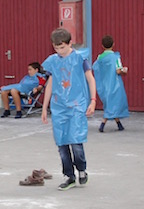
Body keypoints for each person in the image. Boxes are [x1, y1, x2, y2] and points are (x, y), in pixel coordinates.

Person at [41, 27, 97, 190]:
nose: (59, 51)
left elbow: (90, 79)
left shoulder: (80, 58)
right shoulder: (52, 61)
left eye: (62, 47)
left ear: (70, 43)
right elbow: (50, 84)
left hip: (76, 105)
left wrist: (93, 100)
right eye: (56, 48)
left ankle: (81, 169)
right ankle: (69, 176)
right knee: (62, 143)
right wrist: (44, 107)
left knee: (75, 141)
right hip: (58, 107)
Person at [94, 35, 129, 132]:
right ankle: (103, 123)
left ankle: (119, 124)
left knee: (110, 103)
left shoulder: (99, 58)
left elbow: (96, 68)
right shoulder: (115, 57)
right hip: (115, 84)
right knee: (115, 103)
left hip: (104, 84)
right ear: (113, 44)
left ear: (102, 46)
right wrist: (124, 71)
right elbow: (118, 70)